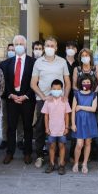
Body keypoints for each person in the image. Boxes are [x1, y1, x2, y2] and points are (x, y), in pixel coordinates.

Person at [31, 36, 71, 168]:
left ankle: (59, 157)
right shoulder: (38, 62)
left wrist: (65, 97)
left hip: (59, 101)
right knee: (41, 128)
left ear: (56, 48)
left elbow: (68, 82)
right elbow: (33, 83)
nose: (49, 48)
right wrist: (43, 97)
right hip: (43, 101)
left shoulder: (62, 62)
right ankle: (40, 156)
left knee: (60, 127)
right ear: (44, 47)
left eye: (52, 46)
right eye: (47, 45)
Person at [3, 35, 36, 165]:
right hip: (11, 100)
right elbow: (3, 83)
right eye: (16, 44)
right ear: (13, 45)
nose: (19, 46)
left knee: (28, 127)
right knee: (11, 127)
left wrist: (26, 95)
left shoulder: (33, 62)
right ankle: (9, 153)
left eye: (21, 44)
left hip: (27, 99)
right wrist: (10, 95)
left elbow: (36, 82)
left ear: (26, 46)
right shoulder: (6, 63)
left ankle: (27, 153)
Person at [72, 48, 98, 160]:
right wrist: (81, 93)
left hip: (93, 98)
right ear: (80, 57)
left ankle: (94, 155)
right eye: (83, 55)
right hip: (80, 98)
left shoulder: (96, 68)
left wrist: (92, 92)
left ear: (90, 57)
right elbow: (74, 85)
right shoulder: (77, 69)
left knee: (94, 126)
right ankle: (76, 157)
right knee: (79, 126)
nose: (85, 57)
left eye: (87, 55)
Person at [0, 43, 24, 151]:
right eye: (10, 50)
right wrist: (8, 94)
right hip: (7, 96)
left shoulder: (23, 62)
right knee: (6, 118)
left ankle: (20, 140)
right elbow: (2, 81)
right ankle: (5, 139)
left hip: (21, 95)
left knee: (20, 119)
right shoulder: (3, 64)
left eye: (13, 49)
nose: (12, 51)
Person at [43, 79, 71, 175]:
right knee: (51, 146)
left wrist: (67, 127)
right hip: (51, 129)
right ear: (51, 89)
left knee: (62, 145)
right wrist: (46, 128)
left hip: (62, 129)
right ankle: (51, 164)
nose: (56, 90)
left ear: (61, 90)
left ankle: (61, 164)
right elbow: (46, 115)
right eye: (54, 88)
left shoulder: (64, 100)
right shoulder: (48, 101)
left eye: (58, 89)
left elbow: (67, 115)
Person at [71, 76, 98, 174]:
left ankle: (85, 163)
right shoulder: (76, 94)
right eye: (84, 82)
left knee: (87, 143)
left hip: (90, 121)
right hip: (79, 121)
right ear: (80, 83)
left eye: (88, 82)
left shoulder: (94, 95)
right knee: (79, 144)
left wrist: (81, 107)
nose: (86, 83)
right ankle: (76, 162)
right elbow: (73, 110)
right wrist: (73, 123)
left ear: (91, 83)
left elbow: (93, 109)